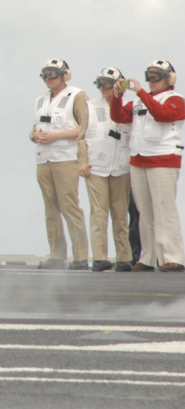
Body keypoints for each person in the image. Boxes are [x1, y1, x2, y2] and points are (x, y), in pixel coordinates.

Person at [110, 59, 185, 272]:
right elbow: (118, 116)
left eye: (156, 77)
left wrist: (141, 92)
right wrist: (117, 96)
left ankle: (173, 256)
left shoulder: (176, 99)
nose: (151, 81)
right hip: (139, 159)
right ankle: (148, 256)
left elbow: (162, 115)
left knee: (164, 209)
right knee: (144, 211)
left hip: (163, 159)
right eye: (149, 76)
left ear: (168, 79)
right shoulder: (138, 102)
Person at [30, 58, 90, 271]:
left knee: (69, 206)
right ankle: (56, 254)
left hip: (65, 158)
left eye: (52, 74)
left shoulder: (77, 96)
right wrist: (35, 135)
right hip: (44, 159)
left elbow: (85, 127)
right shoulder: (41, 100)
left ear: (64, 75)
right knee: (51, 209)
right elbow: (35, 127)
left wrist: (56, 136)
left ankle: (81, 256)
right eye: (45, 74)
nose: (48, 78)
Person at [84, 67, 133, 272]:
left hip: (121, 167)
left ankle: (124, 257)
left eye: (108, 84)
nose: (103, 88)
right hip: (96, 166)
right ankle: (100, 257)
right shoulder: (89, 106)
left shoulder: (129, 106)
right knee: (98, 213)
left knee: (121, 214)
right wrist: (82, 161)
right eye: (101, 83)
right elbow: (81, 136)